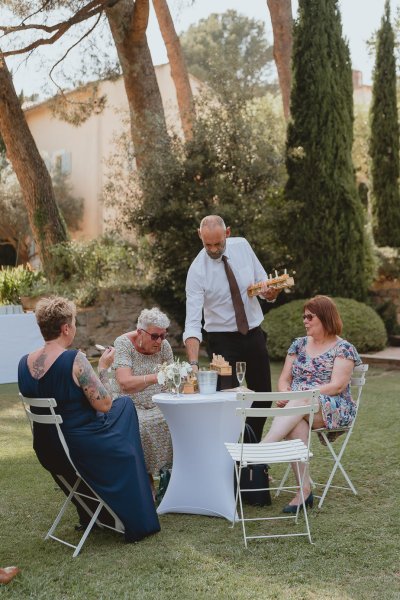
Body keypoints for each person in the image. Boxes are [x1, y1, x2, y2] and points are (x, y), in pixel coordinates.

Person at [18, 296, 160, 543]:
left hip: (48, 448)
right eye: (73, 323)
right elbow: (104, 404)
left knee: (121, 409)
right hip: (81, 447)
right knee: (124, 406)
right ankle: (138, 502)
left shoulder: (24, 363)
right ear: (65, 328)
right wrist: (102, 366)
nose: (74, 327)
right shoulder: (74, 360)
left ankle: (96, 513)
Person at [183, 215, 281, 441]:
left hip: (254, 334)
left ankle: (249, 458)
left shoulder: (243, 246)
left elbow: (263, 285)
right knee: (227, 401)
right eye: (208, 244)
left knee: (263, 396)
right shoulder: (197, 271)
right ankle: (228, 462)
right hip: (221, 342)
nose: (214, 249)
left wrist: (271, 294)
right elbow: (192, 322)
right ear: (200, 236)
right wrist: (194, 364)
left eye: (218, 243)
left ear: (227, 233)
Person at [262, 295, 362, 513]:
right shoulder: (298, 345)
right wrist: (285, 392)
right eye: (303, 317)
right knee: (296, 419)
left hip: (333, 407)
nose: (305, 321)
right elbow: (284, 379)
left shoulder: (343, 348)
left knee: (303, 398)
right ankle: (304, 490)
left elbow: (336, 386)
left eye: (310, 317)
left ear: (325, 317)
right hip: (300, 408)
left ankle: (263, 451)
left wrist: (299, 395)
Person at [110, 307, 173, 495]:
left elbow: (173, 380)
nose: (160, 341)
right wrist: (156, 377)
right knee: (140, 426)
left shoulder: (164, 346)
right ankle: (145, 481)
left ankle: (172, 475)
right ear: (140, 332)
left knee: (180, 421)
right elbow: (124, 383)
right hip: (130, 404)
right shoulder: (123, 344)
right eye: (155, 336)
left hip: (159, 403)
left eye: (163, 335)